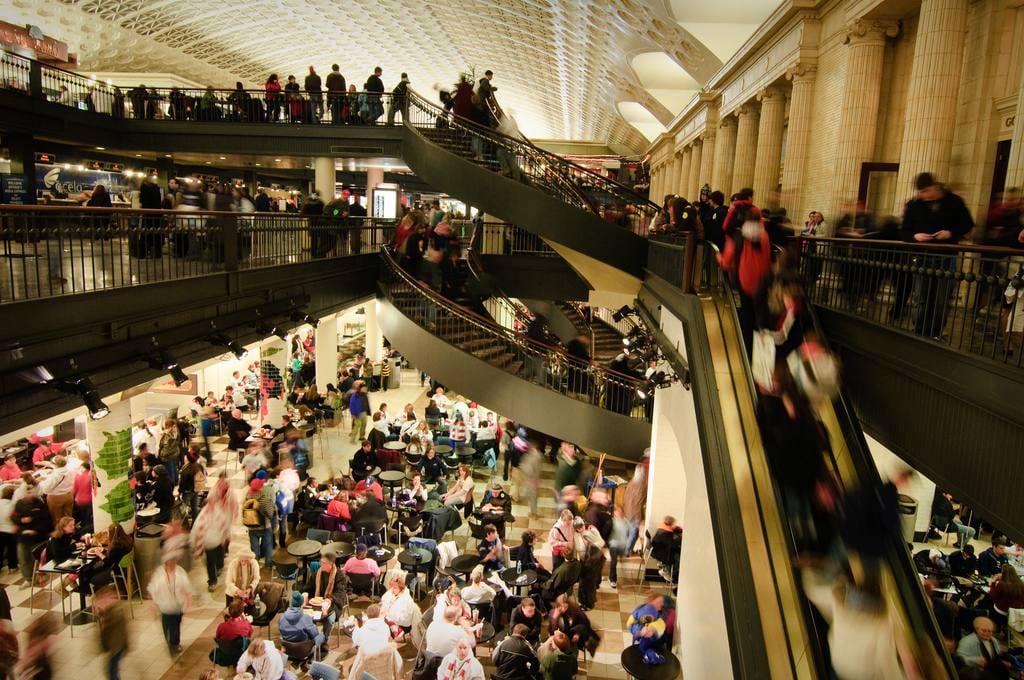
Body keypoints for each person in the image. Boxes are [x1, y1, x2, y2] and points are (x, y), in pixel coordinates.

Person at [900, 173, 975, 338]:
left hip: (947, 256)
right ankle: (919, 330)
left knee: (941, 298)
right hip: (922, 256)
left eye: (926, 191)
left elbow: (967, 224)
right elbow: (904, 231)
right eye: (920, 192)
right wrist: (915, 236)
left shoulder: (954, 202)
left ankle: (935, 331)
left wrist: (950, 233)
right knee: (921, 296)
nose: (923, 195)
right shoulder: (915, 205)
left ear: (935, 187)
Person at [191, 471, 237, 592]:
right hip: (215, 540)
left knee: (210, 562)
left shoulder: (204, 514)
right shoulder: (219, 511)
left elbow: (196, 528)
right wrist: (226, 535)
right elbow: (225, 525)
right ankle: (219, 567)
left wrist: (194, 544)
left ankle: (213, 580)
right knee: (218, 552)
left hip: (208, 542)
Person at [147, 553, 191, 656]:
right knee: (167, 628)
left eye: (173, 561)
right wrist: (152, 603)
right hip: (165, 608)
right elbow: (152, 588)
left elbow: (187, 590)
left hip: (177, 607)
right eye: (168, 561)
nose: (171, 563)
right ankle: (171, 645)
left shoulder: (180, 572)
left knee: (175, 627)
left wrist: (188, 604)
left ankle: (175, 643)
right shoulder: (159, 573)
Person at [302, 546, 347, 645]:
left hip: (332, 604)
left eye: (323, 563)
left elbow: (340, 593)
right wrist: (305, 594)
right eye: (320, 562)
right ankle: (313, 638)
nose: (321, 564)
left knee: (329, 620)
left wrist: (329, 600)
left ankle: (324, 640)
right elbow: (309, 586)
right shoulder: (317, 573)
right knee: (307, 617)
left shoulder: (339, 576)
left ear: (331, 564)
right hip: (316, 602)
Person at [13, 475, 51, 580]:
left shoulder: (39, 504)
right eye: (26, 492)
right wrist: (20, 520)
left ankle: (41, 575)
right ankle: (28, 579)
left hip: (36, 537)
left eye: (30, 492)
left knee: (35, 558)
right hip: (22, 536)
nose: (28, 494)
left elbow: (46, 520)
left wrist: (36, 531)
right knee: (23, 558)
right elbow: (14, 517)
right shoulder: (18, 504)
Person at [94, 584, 129, 680]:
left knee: (112, 671)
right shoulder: (112, 610)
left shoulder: (117, 611)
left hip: (116, 646)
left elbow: (111, 625)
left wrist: (104, 611)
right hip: (114, 646)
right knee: (111, 669)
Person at [627, 594, 668, 664]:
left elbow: (662, 624)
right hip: (639, 640)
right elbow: (630, 624)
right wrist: (638, 631)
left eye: (661, 603)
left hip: (654, 641)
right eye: (658, 602)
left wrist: (653, 629)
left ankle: (652, 657)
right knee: (638, 655)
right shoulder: (640, 610)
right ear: (650, 602)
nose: (660, 604)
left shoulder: (661, 615)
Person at [39, 454, 75, 525]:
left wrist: (42, 481)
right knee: (68, 516)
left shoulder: (56, 475)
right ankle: (69, 531)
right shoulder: (70, 470)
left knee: (57, 518)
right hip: (68, 495)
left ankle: (60, 533)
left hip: (56, 498)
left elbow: (46, 489)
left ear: (56, 465)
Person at [578, 543, 605, 610]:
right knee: (590, 591)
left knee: (588, 592)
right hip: (591, 579)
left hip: (587, 580)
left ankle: (588, 605)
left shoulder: (591, 561)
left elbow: (584, 569)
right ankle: (587, 603)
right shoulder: (599, 557)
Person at [0, 487, 17, 573]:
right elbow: (13, 517)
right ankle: (12, 566)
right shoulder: (13, 504)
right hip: (11, 530)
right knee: (11, 549)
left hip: (0, 530)